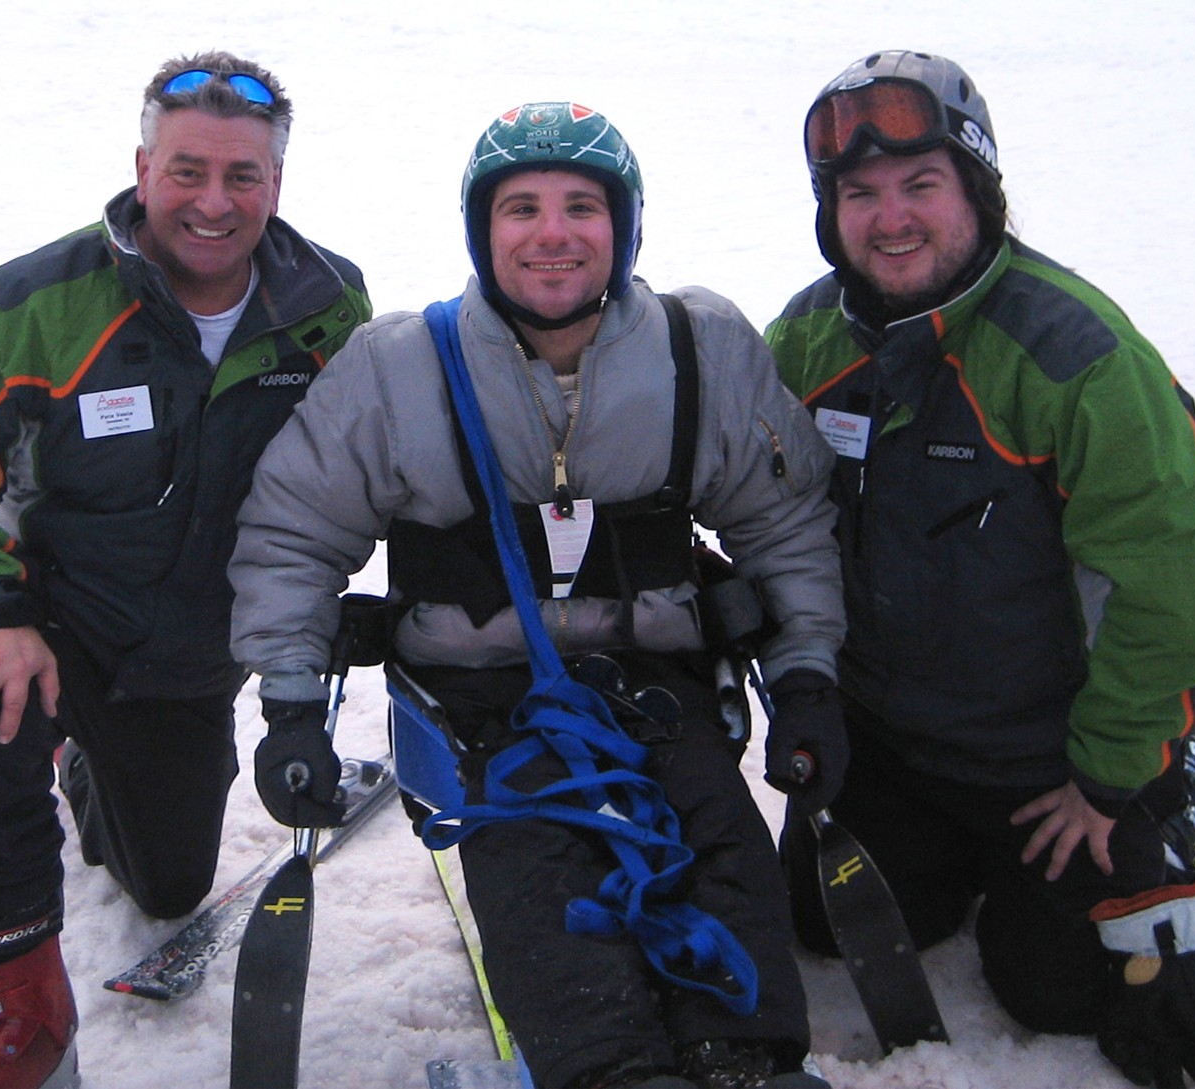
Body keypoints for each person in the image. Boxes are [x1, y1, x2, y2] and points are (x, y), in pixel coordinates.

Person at [228, 102, 846, 1088]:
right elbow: (292, 537)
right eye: (520, 208)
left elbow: (784, 523)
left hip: (660, 693)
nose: (551, 235)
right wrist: (293, 704)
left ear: (624, 226)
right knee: (544, 885)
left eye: (581, 207)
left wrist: (806, 675)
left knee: (721, 848)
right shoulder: (398, 370)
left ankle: (748, 1061)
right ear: (483, 231)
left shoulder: (702, 350)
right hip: (483, 716)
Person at [766, 49, 1195, 1088]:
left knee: (1063, 993)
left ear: (977, 192)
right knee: (823, 925)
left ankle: (1187, 782)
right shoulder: (807, 340)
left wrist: (1108, 774)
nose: (890, 218)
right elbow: (752, 507)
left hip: (1053, 758)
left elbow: (1178, 594)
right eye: (859, 193)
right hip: (897, 740)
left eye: (921, 186)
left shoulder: (1076, 357)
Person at [0, 51, 371, 1089]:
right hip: (49, 624)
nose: (213, 202)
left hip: (191, 658)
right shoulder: (25, 309)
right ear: (142, 167)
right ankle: (13, 1014)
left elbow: (356, 478)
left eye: (243, 177)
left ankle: (85, 768)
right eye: (187, 170)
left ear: (276, 185)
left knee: (170, 884)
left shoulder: (327, 308)